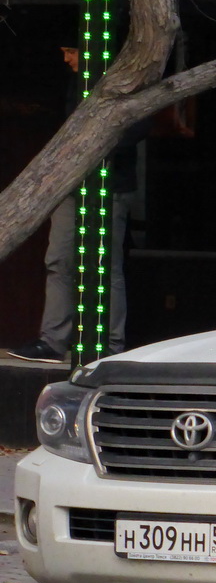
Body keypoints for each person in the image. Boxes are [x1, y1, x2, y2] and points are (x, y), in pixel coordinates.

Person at [9, 47, 142, 363]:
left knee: (107, 267)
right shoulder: (78, 84)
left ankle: (111, 345)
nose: (66, 59)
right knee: (59, 259)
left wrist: (95, 149)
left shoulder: (128, 77)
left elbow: (138, 127)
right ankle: (54, 341)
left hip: (111, 184)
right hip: (72, 185)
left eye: (70, 51)